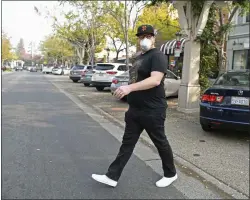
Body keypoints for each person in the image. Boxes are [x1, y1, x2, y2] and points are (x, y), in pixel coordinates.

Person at [92, 24, 177, 188]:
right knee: (127, 143)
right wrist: (124, 89)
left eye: (148, 36)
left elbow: (155, 80)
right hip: (135, 109)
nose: (144, 39)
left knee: (160, 142)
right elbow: (135, 80)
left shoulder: (158, 56)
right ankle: (112, 176)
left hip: (153, 109)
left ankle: (171, 174)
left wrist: (129, 88)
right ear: (138, 39)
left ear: (153, 38)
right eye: (141, 37)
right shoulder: (139, 57)